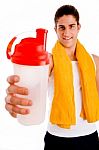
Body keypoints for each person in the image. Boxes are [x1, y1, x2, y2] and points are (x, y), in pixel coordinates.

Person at [5, 4, 99, 150]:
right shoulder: (48, 61)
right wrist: (16, 100)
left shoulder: (94, 61)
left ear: (78, 27)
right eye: (61, 27)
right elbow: (30, 90)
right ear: (55, 29)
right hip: (57, 138)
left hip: (90, 136)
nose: (66, 32)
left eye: (71, 26)